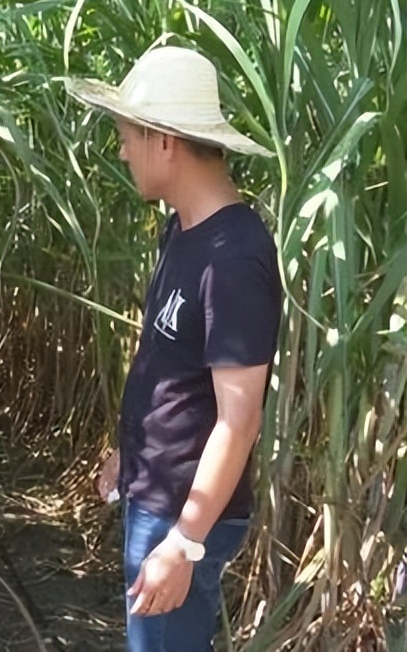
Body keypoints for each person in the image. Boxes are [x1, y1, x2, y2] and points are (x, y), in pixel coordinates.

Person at [66, 46, 282, 651]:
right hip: (155, 494)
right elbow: (168, 365)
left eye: (126, 138)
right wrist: (130, 454)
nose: (121, 152)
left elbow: (239, 420)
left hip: (183, 516)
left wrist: (184, 543)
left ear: (164, 141)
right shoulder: (182, 230)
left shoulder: (233, 258)